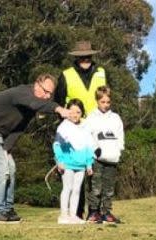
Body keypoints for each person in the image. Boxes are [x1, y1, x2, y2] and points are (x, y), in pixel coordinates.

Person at [0, 74, 69, 222]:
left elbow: (19, 128)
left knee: (11, 168)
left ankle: (8, 209)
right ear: (37, 85)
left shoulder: (31, 105)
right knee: (1, 169)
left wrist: (7, 148)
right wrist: (58, 108)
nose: (48, 96)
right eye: (45, 91)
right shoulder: (23, 94)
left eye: (50, 94)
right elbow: (35, 104)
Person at [54, 41, 107, 218]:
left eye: (88, 56)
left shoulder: (101, 73)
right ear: (76, 58)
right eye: (81, 57)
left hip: (95, 126)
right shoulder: (66, 75)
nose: (85, 59)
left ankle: (96, 212)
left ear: (92, 56)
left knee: (95, 170)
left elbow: (106, 96)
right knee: (75, 173)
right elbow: (59, 102)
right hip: (73, 126)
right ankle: (74, 212)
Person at [84, 85, 125, 224]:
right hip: (97, 159)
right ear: (97, 101)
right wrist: (94, 150)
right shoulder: (91, 117)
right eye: (102, 102)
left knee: (109, 188)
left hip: (112, 158)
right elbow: (88, 136)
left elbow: (120, 136)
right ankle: (93, 213)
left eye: (108, 102)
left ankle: (106, 212)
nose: (105, 105)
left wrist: (119, 151)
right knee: (95, 187)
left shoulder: (115, 118)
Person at [53, 99, 95, 224]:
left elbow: (89, 146)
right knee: (67, 188)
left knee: (77, 190)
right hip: (67, 164)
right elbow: (56, 145)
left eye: (78, 112)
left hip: (81, 165)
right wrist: (59, 160)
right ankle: (63, 215)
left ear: (82, 113)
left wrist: (89, 163)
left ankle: (73, 215)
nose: (74, 115)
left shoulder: (86, 127)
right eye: (71, 111)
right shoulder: (63, 126)